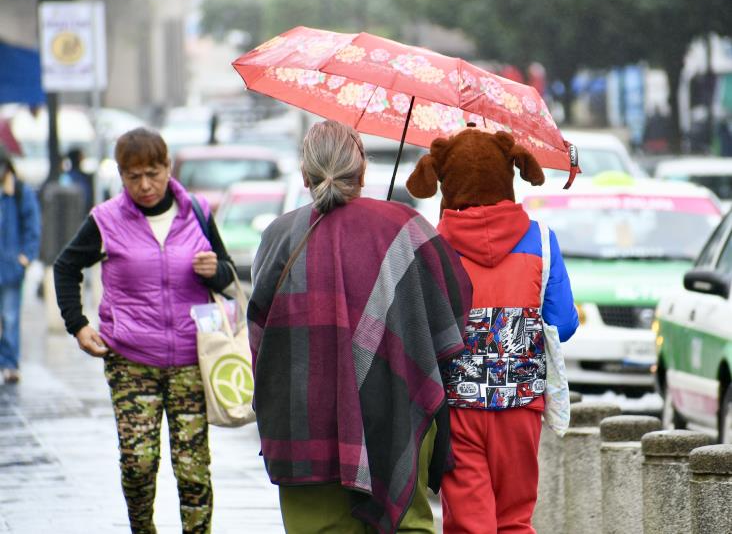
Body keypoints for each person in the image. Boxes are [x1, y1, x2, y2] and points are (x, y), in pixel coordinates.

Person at [247, 120, 472, 534]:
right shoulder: (405, 228)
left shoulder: (279, 235)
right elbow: (454, 309)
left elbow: (259, 339)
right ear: (362, 170)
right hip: (396, 408)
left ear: (304, 174)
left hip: (301, 421)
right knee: (407, 526)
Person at [53, 128, 234, 533]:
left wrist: (215, 270)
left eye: (153, 173)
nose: (145, 185)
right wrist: (78, 325)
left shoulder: (198, 213)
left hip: (191, 360)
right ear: (120, 176)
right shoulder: (106, 220)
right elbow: (66, 267)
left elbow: (228, 278)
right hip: (130, 360)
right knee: (138, 463)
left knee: (193, 470)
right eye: (133, 177)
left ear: (169, 167)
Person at [405, 127, 579, 533]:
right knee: (515, 519)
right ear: (511, 173)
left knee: (469, 521)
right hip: (521, 405)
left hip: (458, 408)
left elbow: (418, 329)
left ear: (445, 181)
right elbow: (564, 324)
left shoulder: (431, 247)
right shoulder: (542, 241)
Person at [0, 149, 40, 384]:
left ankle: (10, 363)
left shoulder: (19, 192)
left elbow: (32, 224)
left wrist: (26, 257)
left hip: (11, 267)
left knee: (11, 317)